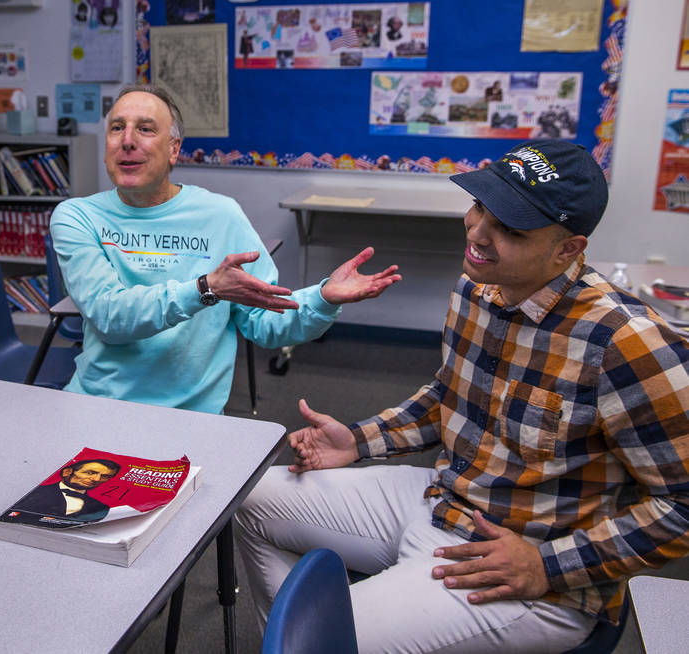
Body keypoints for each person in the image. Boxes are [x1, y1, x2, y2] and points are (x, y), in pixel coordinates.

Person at [235, 140, 689, 653]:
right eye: (479, 208)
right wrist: (358, 442)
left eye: (511, 229)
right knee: (248, 498)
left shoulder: (626, 342)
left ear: (568, 249)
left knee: (319, 639)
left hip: (530, 568)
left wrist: (548, 565)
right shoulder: (481, 288)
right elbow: (451, 395)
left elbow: (684, 503)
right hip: (445, 501)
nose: (478, 233)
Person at [49, 84, 400, 414]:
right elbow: (111, 317)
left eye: (145, 128)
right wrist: (206, 289)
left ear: (174, 149)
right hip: (100, 406)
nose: (127, 141)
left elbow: (265, 323)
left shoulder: (221, 215)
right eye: (116, 128)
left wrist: (323, 299)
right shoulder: (78, 216)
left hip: (192, 417)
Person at [9, 459, 120, 524]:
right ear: (67, 472)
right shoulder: (36, 493)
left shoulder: (102, 508)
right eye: (90, 473)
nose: (96, 479)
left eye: (105, 476)